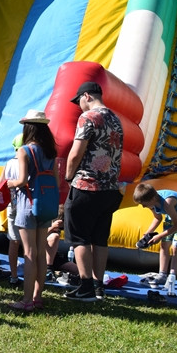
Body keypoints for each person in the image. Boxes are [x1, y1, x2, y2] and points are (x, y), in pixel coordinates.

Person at [64, 81, 124, 302]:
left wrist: (68, 176)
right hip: (110, 189)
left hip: (86, 186)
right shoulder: (116, 119)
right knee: (100, 239)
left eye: (79, 100)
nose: (79, 105)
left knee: (79, 237)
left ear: (87, 96)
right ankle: (99, 287)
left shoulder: (88, 117)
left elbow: (76, 153)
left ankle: (86, 286)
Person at [6, 110, 58, 311]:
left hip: (28, 204)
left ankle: (26, 300)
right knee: (41, 252)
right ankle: (37, 297)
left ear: (28, 128)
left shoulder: (25, 151)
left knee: (29, 252)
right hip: (46, 204)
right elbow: (55, 179)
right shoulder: (50, 151)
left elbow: (21, 180)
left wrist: (11, 183)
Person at [133, 183, 177, 295]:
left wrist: (159, 236)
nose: (143, 207)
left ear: (152, 199)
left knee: (176, 247)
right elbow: (157, 218)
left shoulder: (168, 203)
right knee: (164, 245)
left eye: (144, 204)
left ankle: (172, 277)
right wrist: (148, 233)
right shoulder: (152, 202)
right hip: (172, 217)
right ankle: (162, 275)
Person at [4, 134, 24, 288]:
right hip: (26, 204)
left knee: (14, 240)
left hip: (12, 204)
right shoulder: (28, 163)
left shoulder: (10, 163)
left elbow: (1, 184)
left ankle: (13, 275)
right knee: (29, 242)